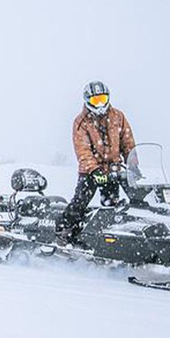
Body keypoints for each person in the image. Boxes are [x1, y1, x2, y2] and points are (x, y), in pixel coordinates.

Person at [56, 81, 136, 243]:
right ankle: (63, 231)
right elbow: (82, 149)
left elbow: (127, 142)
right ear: (87, 100)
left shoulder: (118, 116)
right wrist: (94, 170)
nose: (100, 104)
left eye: (102, 99)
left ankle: (111, 237)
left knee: (114, 204)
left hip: (114, 169)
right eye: (95, 101)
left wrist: (132, 163)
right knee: (80, 201)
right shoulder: (81, 121)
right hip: (90, 171)